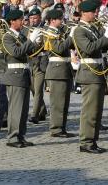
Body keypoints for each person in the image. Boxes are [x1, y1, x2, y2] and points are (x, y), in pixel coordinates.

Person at [72, 0, 108, 154]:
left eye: (97, 10)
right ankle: (86, 142)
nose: (97, 13)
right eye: (94, 11)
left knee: (97, 110)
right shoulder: (79, 30)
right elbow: (89, 48)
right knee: (90, 110)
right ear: (84, 13)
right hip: (89, 71)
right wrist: (105, 38)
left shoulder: (93, 28)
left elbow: (103, 48)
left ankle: (93, 140)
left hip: (98, 70)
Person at [1, 8, 42, 148]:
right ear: (12, 22)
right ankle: (12, 137)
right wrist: (30, 41)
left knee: (24, 110)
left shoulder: (21, 36)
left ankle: (21, 135)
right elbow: (16, 52)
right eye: (20, 20)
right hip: (14, 75)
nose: (23, 22)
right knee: (16, 109)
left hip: (24, 74)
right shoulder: (7, 37)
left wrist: (37, 42)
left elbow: (31, 51)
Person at [40, 8, 74, 138]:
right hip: (57, 70)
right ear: (53, 20)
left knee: (64, 102)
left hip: (64, 68)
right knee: (57, 103)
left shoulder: (59, 31)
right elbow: (59, 49)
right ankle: (56, 128)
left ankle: (61, 127)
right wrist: (70, 37)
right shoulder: (49, 33)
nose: (62, 21)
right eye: (60, 19)